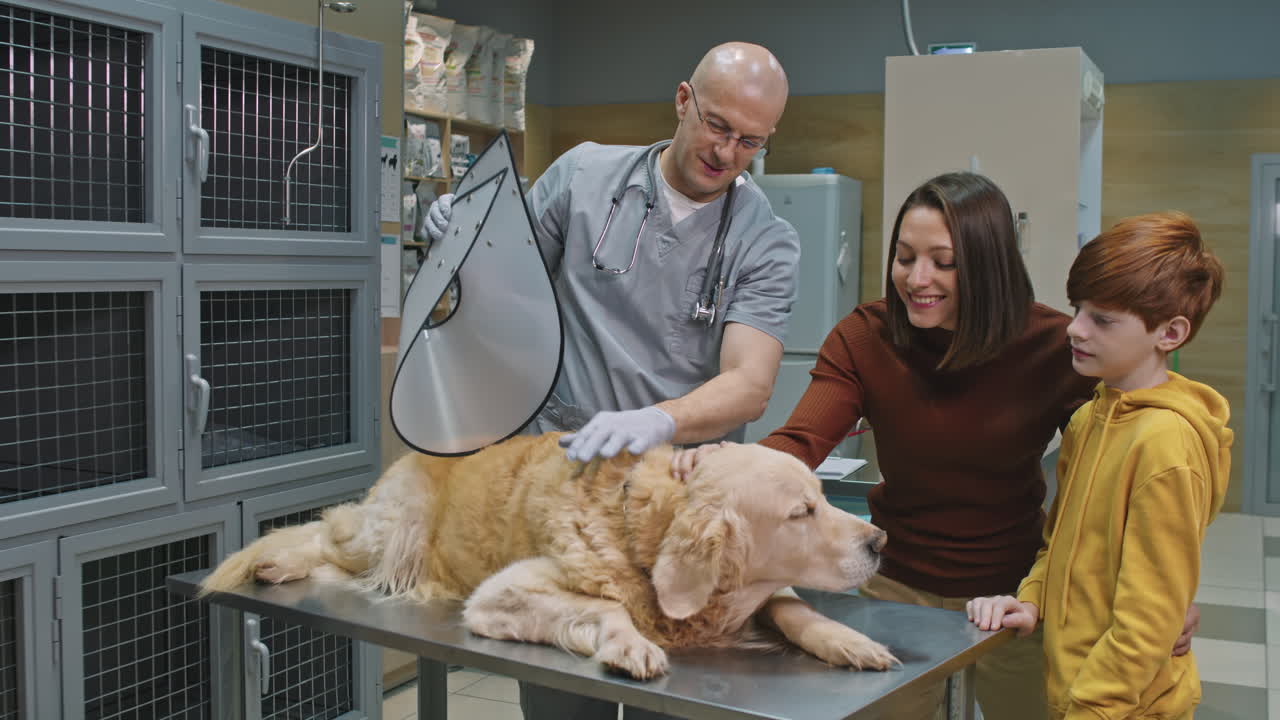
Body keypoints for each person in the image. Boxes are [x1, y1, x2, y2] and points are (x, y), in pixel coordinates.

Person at [673, 172, 1201, 720]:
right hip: (898, 588)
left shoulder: (1056, 347)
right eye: (904, 257)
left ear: (987, 265)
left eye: (943, 262)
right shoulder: (864, 336)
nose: (916, 278)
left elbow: (1114, 484)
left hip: (1018, 596)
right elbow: (802, 440)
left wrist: (1162, 590)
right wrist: (736, 466)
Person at [425, 42, 799, 720]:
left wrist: (656, 421)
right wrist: (460, 241)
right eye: (718, 125)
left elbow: (749, 384)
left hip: (677, 509)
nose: (727, 151)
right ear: (684, 100)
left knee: (674, 695)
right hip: (567, 488)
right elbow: (504, 286)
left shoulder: (765, 241)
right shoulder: (582, 178)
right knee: (563, 698)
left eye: (751, 141)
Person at [966, 212, 1230, 720]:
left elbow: (1149, 616)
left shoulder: (1166, 444)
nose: (1075, 328)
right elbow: (1059, 542)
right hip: (1076, 692)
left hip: (1121, 707)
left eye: (1102, 319)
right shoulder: (1089, 418)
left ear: (1170, 333)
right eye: (1077, 309)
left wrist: (1092, 708)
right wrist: (1034, 600)